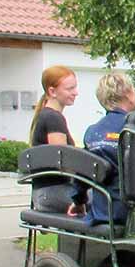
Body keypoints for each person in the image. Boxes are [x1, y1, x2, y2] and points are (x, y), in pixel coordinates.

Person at [76, 72, 135, 224]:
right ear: (128, 94)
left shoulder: (92, 132)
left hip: (102, 211)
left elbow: (83, 174)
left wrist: (78, 201)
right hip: (133, 213)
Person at [28, 65, 84, 213]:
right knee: (103, 201)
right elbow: (63, 161)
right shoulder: (53, 118)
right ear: (52, 91)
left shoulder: (46, 115)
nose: (75, 93)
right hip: (53, 193)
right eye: (70, 89)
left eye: (75, 87)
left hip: (45, 193)